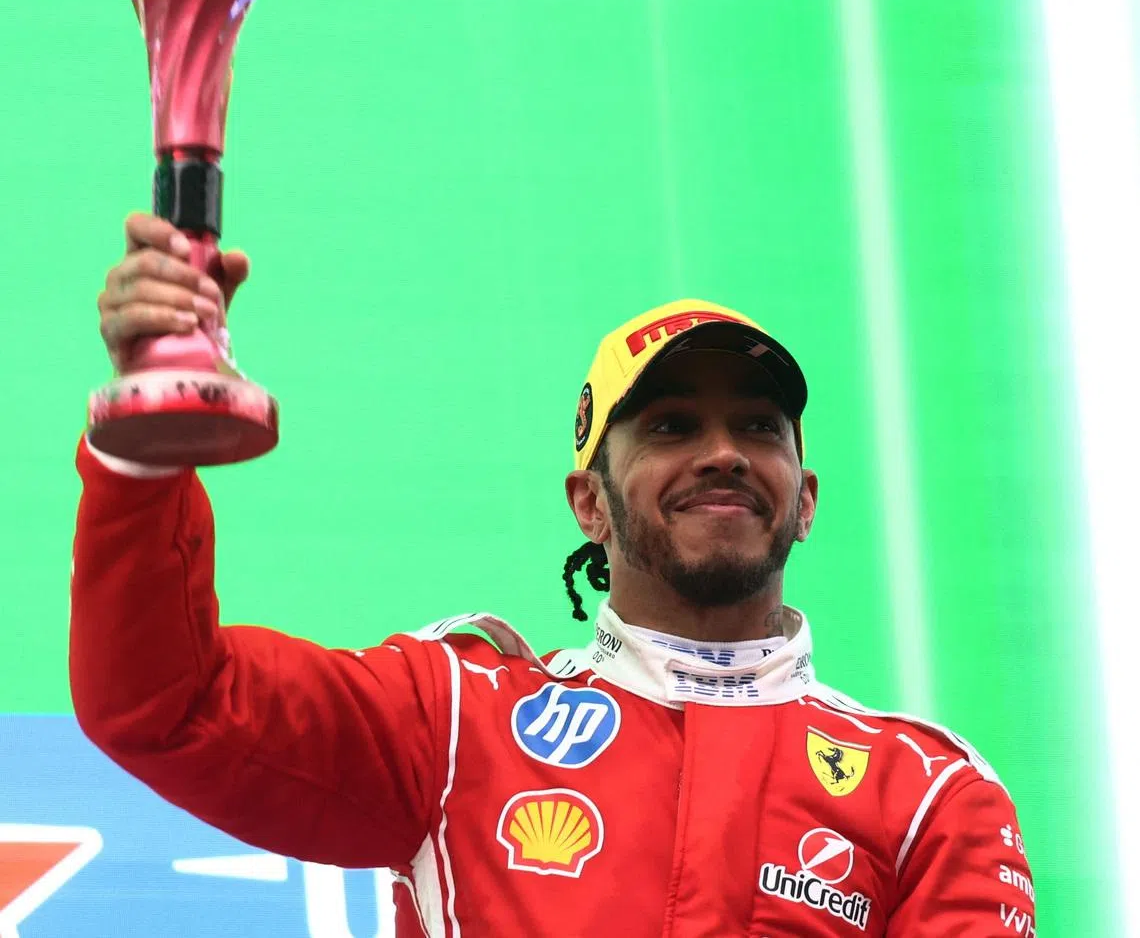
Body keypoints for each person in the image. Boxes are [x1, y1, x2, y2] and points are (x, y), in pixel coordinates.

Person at [73, 212, 1037, 937]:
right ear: (590, 502)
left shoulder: (925, 796)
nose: (724, 453)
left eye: (757, 427)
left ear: (806, 496)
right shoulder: (457, 720)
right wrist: (147, 446)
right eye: (669, 427)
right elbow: (168, 700)